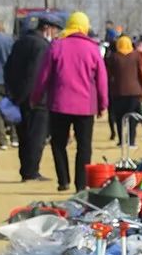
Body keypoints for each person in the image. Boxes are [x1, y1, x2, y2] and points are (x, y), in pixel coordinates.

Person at [31, 10, 108, 192]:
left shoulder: (57, 46)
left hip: (59, 104)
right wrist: (103, 104)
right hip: (85, 107)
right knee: (84, 146)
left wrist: (36, 97)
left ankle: (63, 180)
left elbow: (43, 76)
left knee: (58, 143)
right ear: (85, 27)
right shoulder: (93, 49)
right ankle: (81, 185)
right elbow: (101, 79)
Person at [4, 14, 61, 181]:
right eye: (55, 30)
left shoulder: (19, 42)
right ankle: (32, 171)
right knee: (37, 136)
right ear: (46, 28)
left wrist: (14, 94)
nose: (55, 34)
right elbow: (35, 74)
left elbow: (8, 68)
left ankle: (25, 169)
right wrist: (32, 96)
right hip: (37, 99)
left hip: (18, 97)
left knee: (23, 136)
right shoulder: (42, 46)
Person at [108, 34, 142, 147]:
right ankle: (131, 141)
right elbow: (141, 73)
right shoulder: (136, 55)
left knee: (119, 117)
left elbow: (109, 74)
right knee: (132, 117)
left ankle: (121, 141)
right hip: (134, 92)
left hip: (118, 92)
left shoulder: (114, 57)